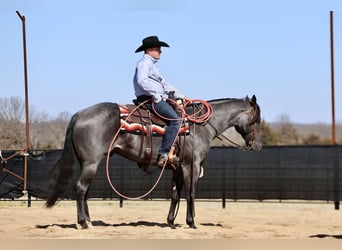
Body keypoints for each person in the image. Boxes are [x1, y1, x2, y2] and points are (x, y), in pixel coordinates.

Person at [133, 36, 188, 166]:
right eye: (158, 49)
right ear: (150, 49)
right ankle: (164, 154)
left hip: (154, 98)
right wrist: (156, 96)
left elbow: (164, 84)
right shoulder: (144, 63)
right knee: (176, 121)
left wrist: (182, 96)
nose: (160, 52)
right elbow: (142, 81)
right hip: (150, 99)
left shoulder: (152, 65)